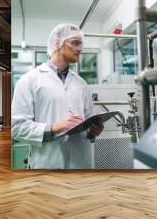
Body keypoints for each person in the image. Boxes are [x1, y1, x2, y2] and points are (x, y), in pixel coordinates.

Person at [12, 23, 104, 169]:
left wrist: (93, 131)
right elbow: (17, 128)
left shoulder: (81, 84)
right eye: (75, 43)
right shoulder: (29, 80)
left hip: (80, 165)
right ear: (57, 43)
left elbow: (87, 122)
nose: (80, 49)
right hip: (47, 163)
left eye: (81, 44)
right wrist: (54, 127)